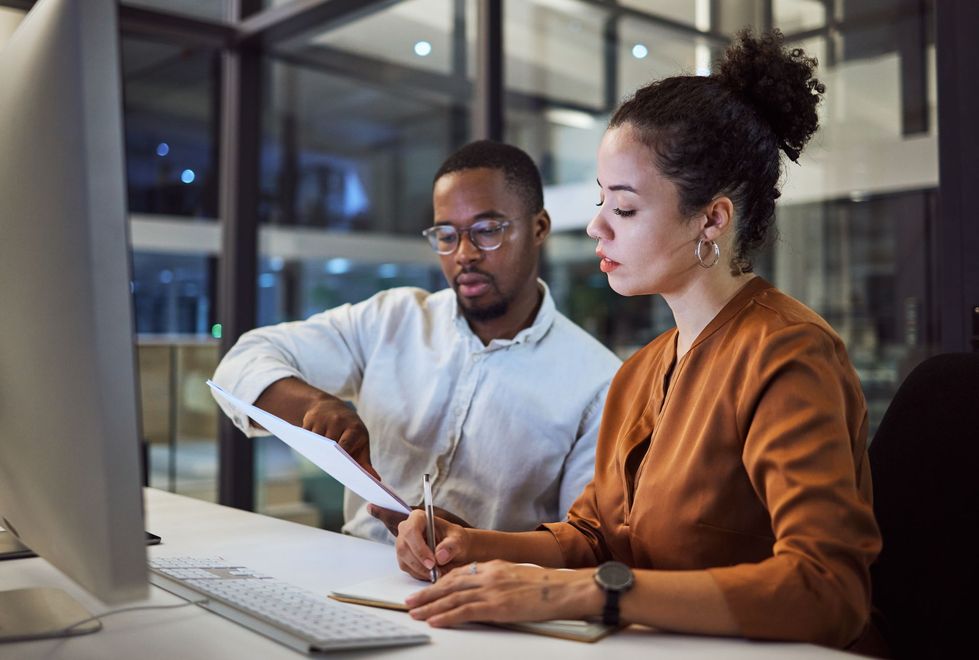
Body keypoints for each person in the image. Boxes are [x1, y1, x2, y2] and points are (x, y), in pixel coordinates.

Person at [395, 30, 882, 650]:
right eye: (602, 202)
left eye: (623, 209)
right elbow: (598, 537)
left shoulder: (789, 355)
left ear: (712, 218)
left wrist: (584, 593)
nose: (597, 225)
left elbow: (826, 590)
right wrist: (471, 544)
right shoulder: (643, 370)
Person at [212, 140, 621, 544]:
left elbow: (583, 543)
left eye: (487, 230)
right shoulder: (391, 319)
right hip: (352, 567)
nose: (464, 254)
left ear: (538, 228)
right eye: (446, 234)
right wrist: (313, 406)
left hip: (487, 591)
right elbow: (242, 361)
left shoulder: (599, 383)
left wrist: (474, 543)